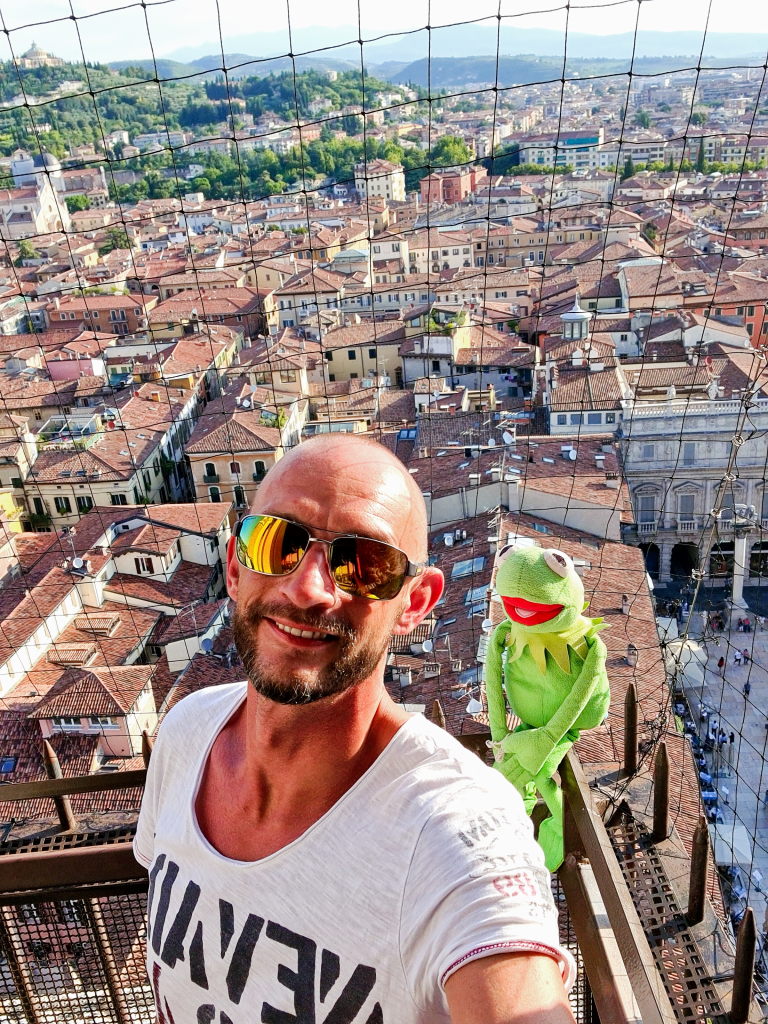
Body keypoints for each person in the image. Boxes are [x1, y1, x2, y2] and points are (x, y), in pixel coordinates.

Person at [133, 435, 576, 1024]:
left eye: (364, 564)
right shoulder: (185, 734)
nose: (307, 588)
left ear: (414, 602)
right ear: (236, 566)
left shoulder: (454, 832)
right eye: (277, 542)